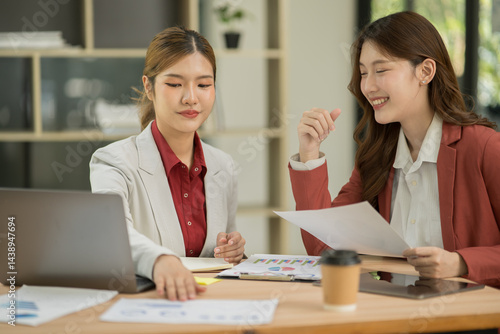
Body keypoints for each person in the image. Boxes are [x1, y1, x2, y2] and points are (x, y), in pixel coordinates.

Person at [289, 11, 500, 288]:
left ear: (425, 71)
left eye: (381, 70)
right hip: (395, 317)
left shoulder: (484, 147)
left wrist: (460, 262)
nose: (368, 86)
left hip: (469, 324)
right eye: (364, 73)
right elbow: (324, 247)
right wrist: (310, 154)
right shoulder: (377, 157)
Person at [90, 26, 246, 301]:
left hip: (209, 306)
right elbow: (112, 235)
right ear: (149, 87)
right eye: (175, 84)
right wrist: (160, 261)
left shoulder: (224, 166)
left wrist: (234, 251)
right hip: (147, 307)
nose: (191, 97)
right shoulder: (112, 162)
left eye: (204, 84)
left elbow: (222, 255)